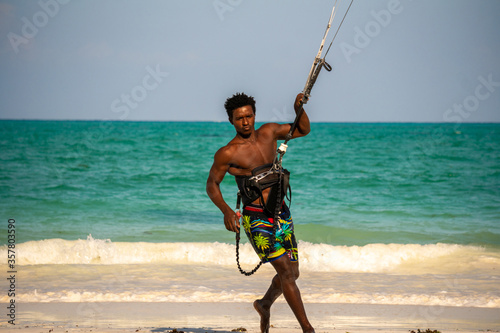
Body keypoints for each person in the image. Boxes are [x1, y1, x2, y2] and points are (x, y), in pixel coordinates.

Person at [206, 92, 314, 333]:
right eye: (239, 118)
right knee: (286, 272)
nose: (245, 122)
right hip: (256, 218)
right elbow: (212, 184)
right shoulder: (228, 153)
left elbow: (303, 129)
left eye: (249, 116)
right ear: (231, 120)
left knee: (293, 272)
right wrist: (226, 211)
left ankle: (264, 305)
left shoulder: (269, 133)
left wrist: (298, 108)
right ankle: (308, 329)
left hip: (280, 213)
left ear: (255, 115)